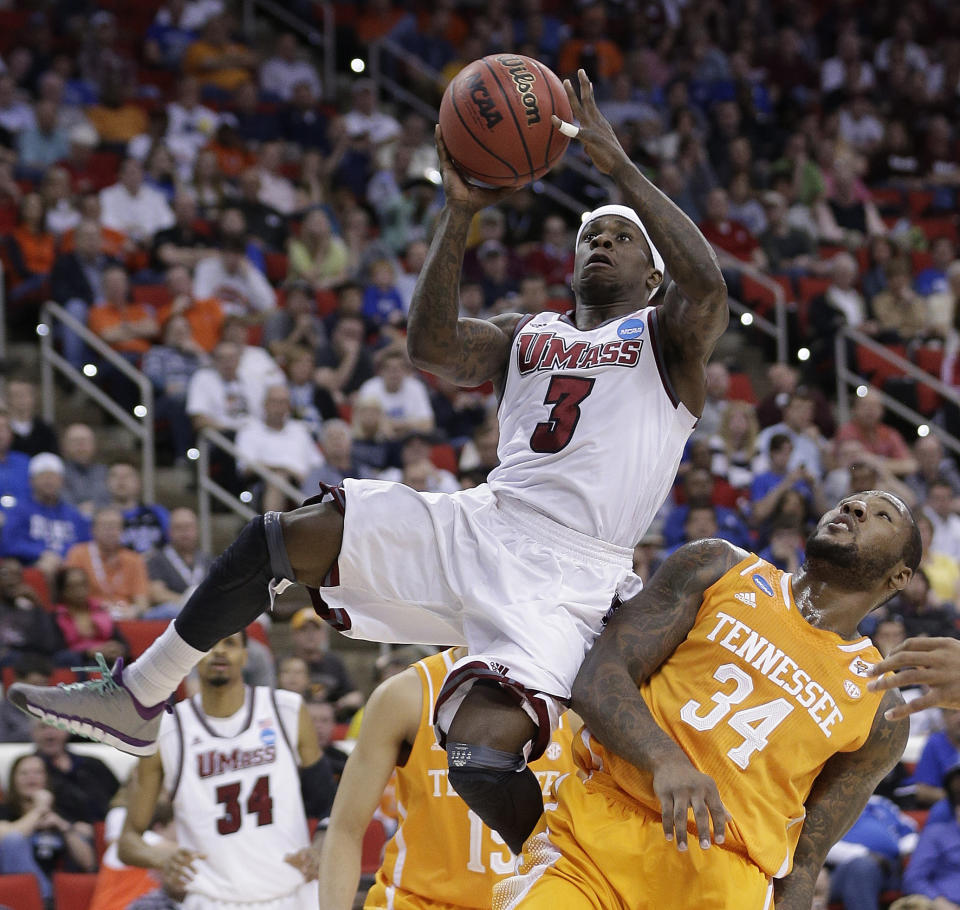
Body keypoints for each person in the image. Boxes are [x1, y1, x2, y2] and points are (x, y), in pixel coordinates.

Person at [10, 69, 729, 857]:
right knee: (281, 536)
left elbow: (709, 284)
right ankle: (140, 695)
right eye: (592, 234)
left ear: (652, 276)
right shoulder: (527, 333)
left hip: (570, 574)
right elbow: (431, 347)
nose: (603, 243)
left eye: (622, 239)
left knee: (482, 763)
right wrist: (457, 216)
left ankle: (586, 878)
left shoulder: (668, 341)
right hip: (484, 521)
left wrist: (621, 169)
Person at [495, 491, 920, 909]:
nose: (853, 508)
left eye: (882, 516)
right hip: (601, 835)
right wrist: (666, 761)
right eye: (849, 502)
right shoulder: (717, 567)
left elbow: (806, 857)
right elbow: (598, 678)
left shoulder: (882, 708)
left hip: (727, 882)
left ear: (899, 576)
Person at [318, 647, 577, 910]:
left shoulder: (578, 695)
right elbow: (345, 829)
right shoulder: (408, 694)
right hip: (418, 902)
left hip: (535, 901)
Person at [116, 631, 328, 908]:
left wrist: (320, 848)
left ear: (245, 656)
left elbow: (329, 806)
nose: (219, 651)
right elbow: (127, 842)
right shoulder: (166, 731)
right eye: (209, 643)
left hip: (293, 892)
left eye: (229, 643)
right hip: (211, 898)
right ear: (190, 657)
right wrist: (162, 857)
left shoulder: (286, 709)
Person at [0, 752, 96, 903]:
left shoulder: (61, 813)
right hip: (17, 892)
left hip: (58, 891)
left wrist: (64, 827)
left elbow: (88, 862)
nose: (31, 778)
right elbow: (6, 838)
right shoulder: (5, 810)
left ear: (47, 778)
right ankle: (44, 898)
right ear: (13, 779)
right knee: (13, 840)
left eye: (37, 772)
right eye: (24, 773)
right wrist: (39, 810)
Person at [64, 507, 150, 619]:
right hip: (89, 615)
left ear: (122, 531)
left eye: (115, 527)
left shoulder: (134, 559)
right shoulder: (78, 554)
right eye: (105, 526)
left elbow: (142, 604)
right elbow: (69, 596)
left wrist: (133, 611)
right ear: (93, 530)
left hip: (126, 617)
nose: (110, 531)